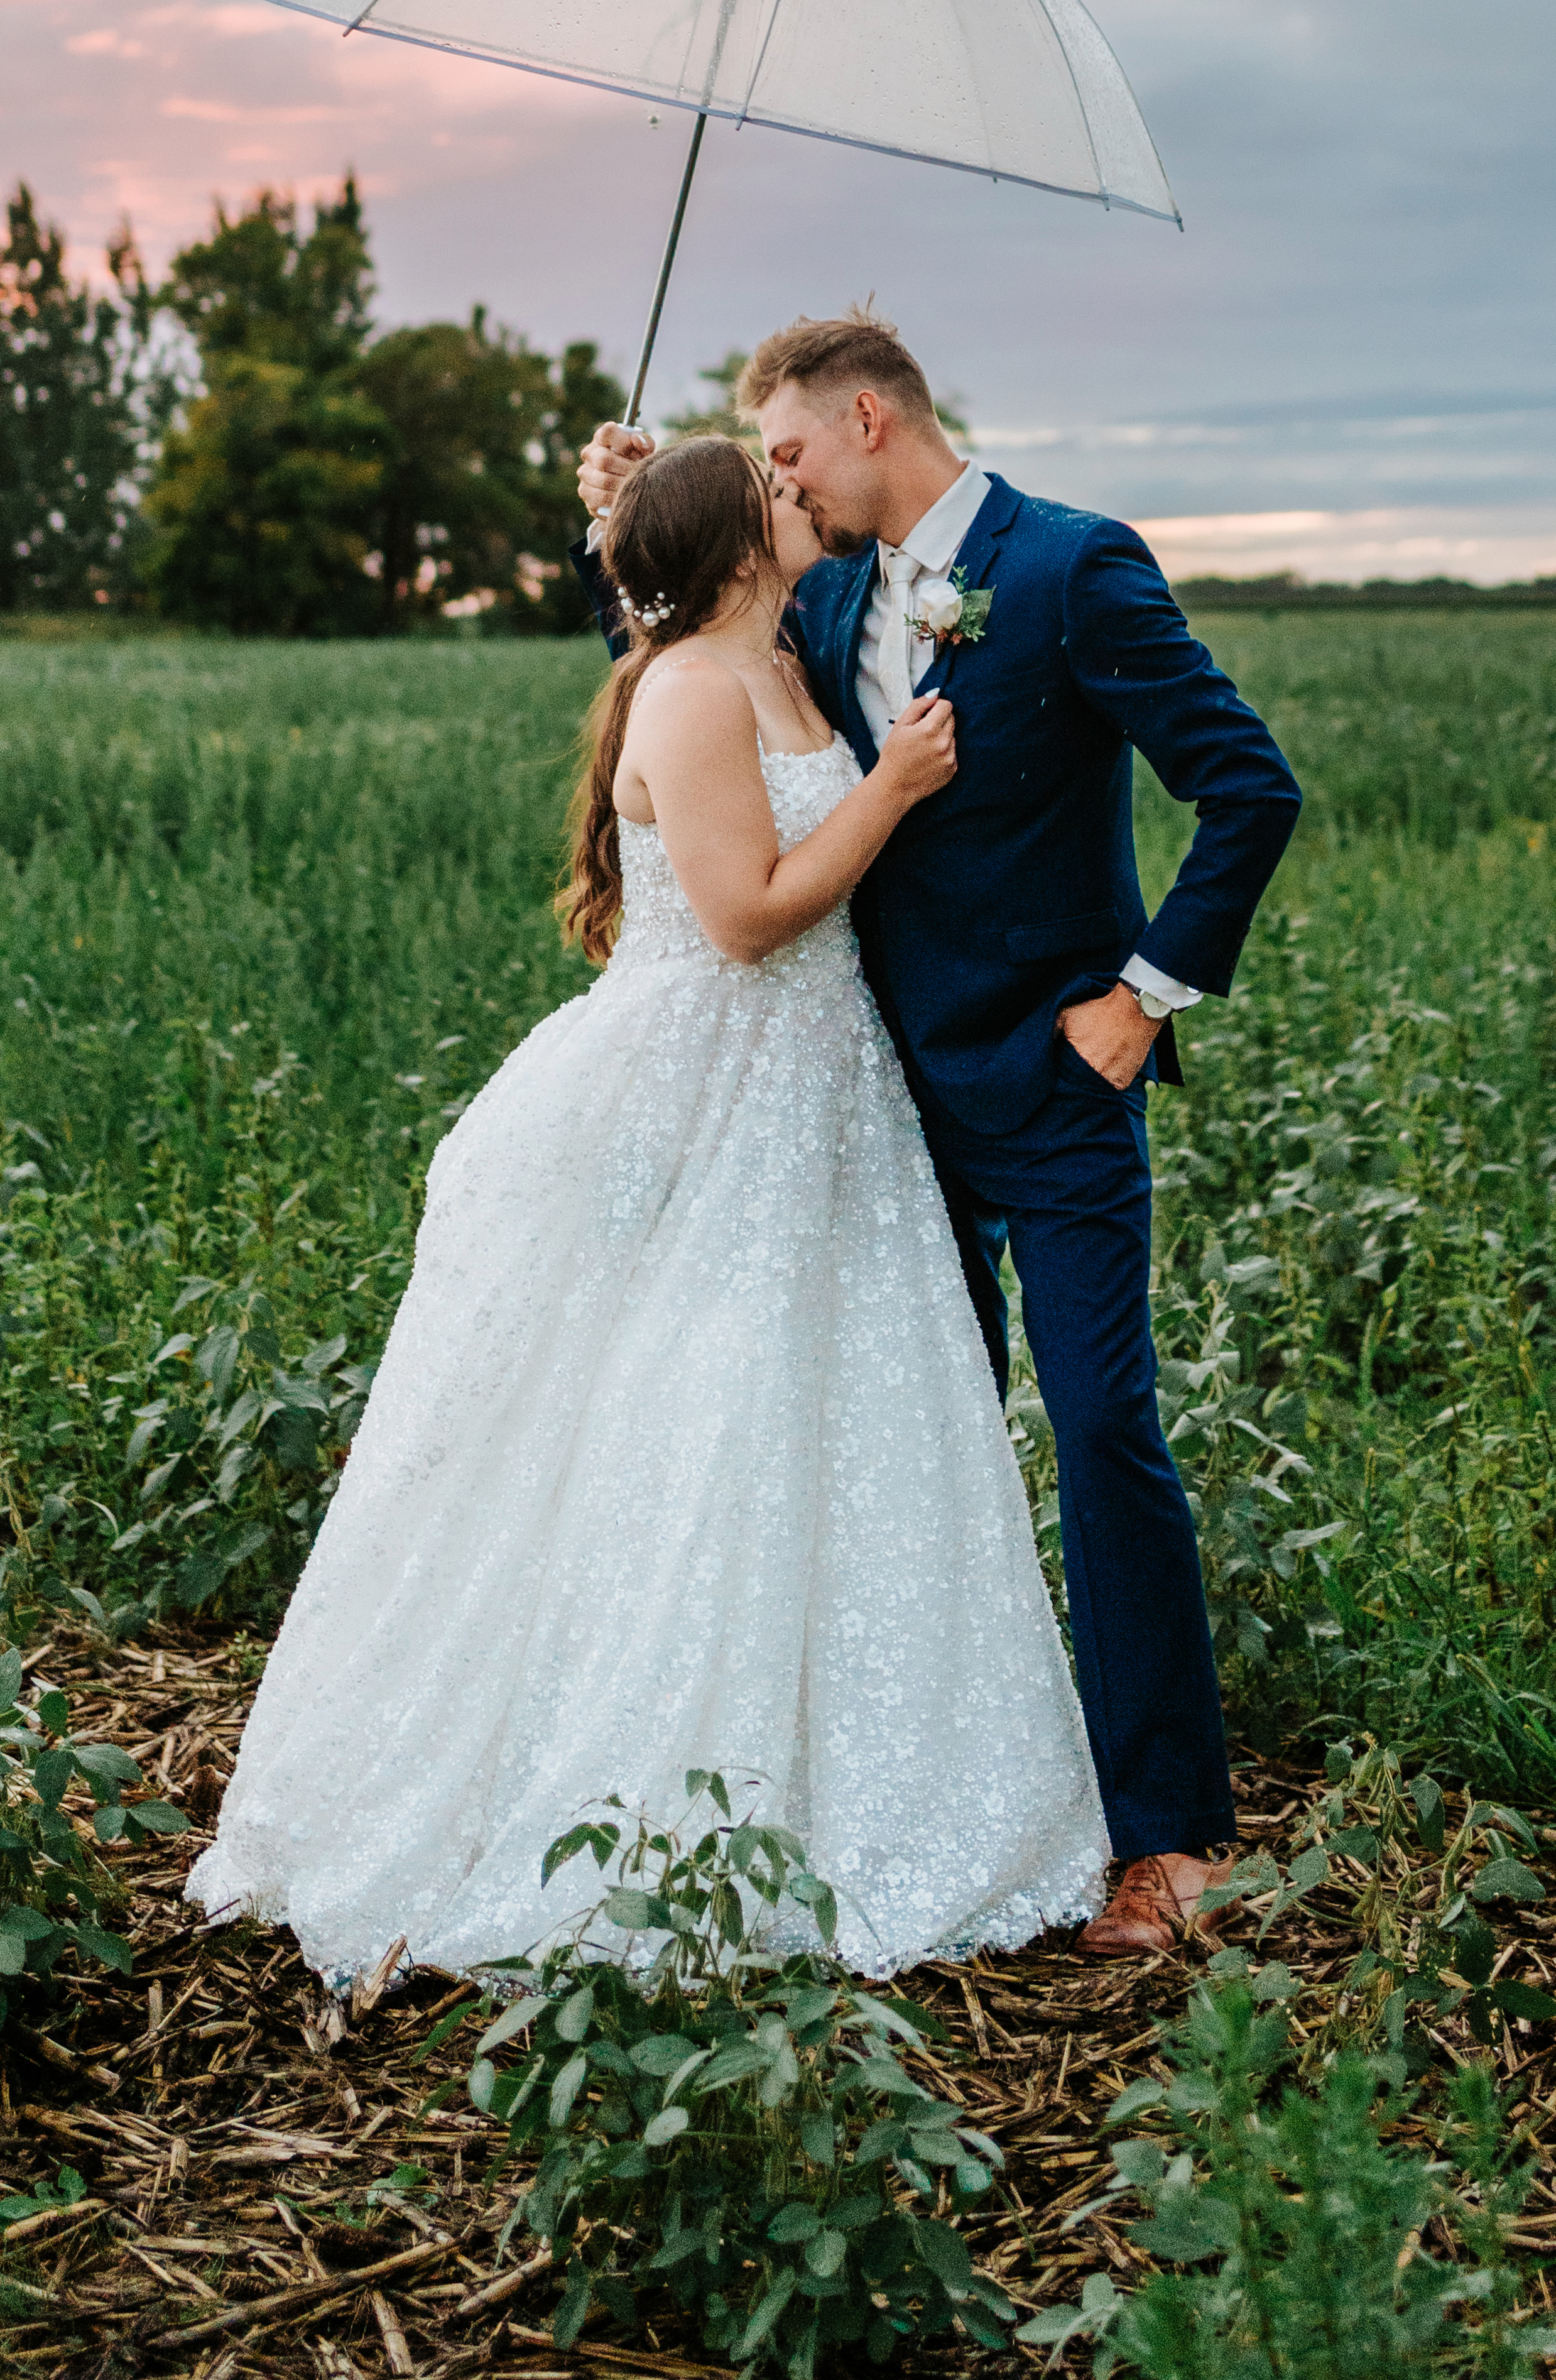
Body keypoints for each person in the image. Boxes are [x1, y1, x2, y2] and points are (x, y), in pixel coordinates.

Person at [187, 434, 1108, 1982]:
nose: (796, 491)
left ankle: (835, 1770)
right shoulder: (687, 687)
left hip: (817, 1094)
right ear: (743, 546)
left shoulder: (786, 656)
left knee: (817, 1419)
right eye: (770, 484)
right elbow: (745, 917)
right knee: (685, 1419)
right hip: (705, 1083)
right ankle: (637, 1794)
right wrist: (886, 792)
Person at [578, 312, 1302, 1958]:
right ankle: (942, 1792)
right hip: (881, 1100)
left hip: (1055, 1088)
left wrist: (1143, 999)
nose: (779, 482)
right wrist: (615, 532)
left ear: (864, 417)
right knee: (927, 1450)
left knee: (1106, 1427)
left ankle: (1168, 1838)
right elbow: (686, 686)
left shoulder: (1068, 570)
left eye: (784, 453)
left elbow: (1249, 788)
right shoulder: (820, 593)